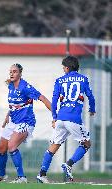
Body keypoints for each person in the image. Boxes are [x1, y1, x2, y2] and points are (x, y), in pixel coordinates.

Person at [36, 55, 95, 183]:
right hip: (73, 119)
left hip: (61, 118)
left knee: (54, 145)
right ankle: (69, 163)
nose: (63, 70)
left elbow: (54, 100)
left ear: (67, 68)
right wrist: (92, 109)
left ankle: (42, 174)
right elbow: (90, 96)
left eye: (63, 68)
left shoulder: (59, 80)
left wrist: (54, 118)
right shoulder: (84, 79)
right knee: (86, 143)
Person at [0, 63, 51, 183]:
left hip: (26, 121)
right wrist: (7, 116)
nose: (11, 73)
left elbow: (43, 98)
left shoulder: (26, 87)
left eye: (14, 71)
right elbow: (15, 104)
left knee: (11, 146)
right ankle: (2, 175)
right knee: (1, 148)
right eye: (10, 71)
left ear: (20, 73)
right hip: (13, 121)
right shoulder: (10, 85)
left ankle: (22, 177)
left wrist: (56, 115)